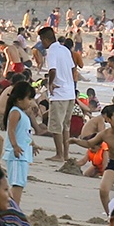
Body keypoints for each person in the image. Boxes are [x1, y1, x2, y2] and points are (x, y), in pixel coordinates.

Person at [39, 26, 78, 165]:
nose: (41, 43)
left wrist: (50, 83)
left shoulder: (52, 52)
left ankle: (59, 154)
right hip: (70, 92)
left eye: (42, 40)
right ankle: (66, 154)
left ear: (46, 39)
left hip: (59, 93)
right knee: (66, 125)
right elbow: (74, 68)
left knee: (56, 125)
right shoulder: (65, 49)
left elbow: (52, 70)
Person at [0, 80, 36, 202]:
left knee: (20, 182)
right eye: (29, 98)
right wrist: (15, 146)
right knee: (17, 183)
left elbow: (24, 134)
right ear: (19, 99)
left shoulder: (23, 114)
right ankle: (13, 207)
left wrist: (32, 144)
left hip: (23, 154)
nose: (30, 102)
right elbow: (11, 130)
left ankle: (15, 206)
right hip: (16, 154)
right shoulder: (15, 112)